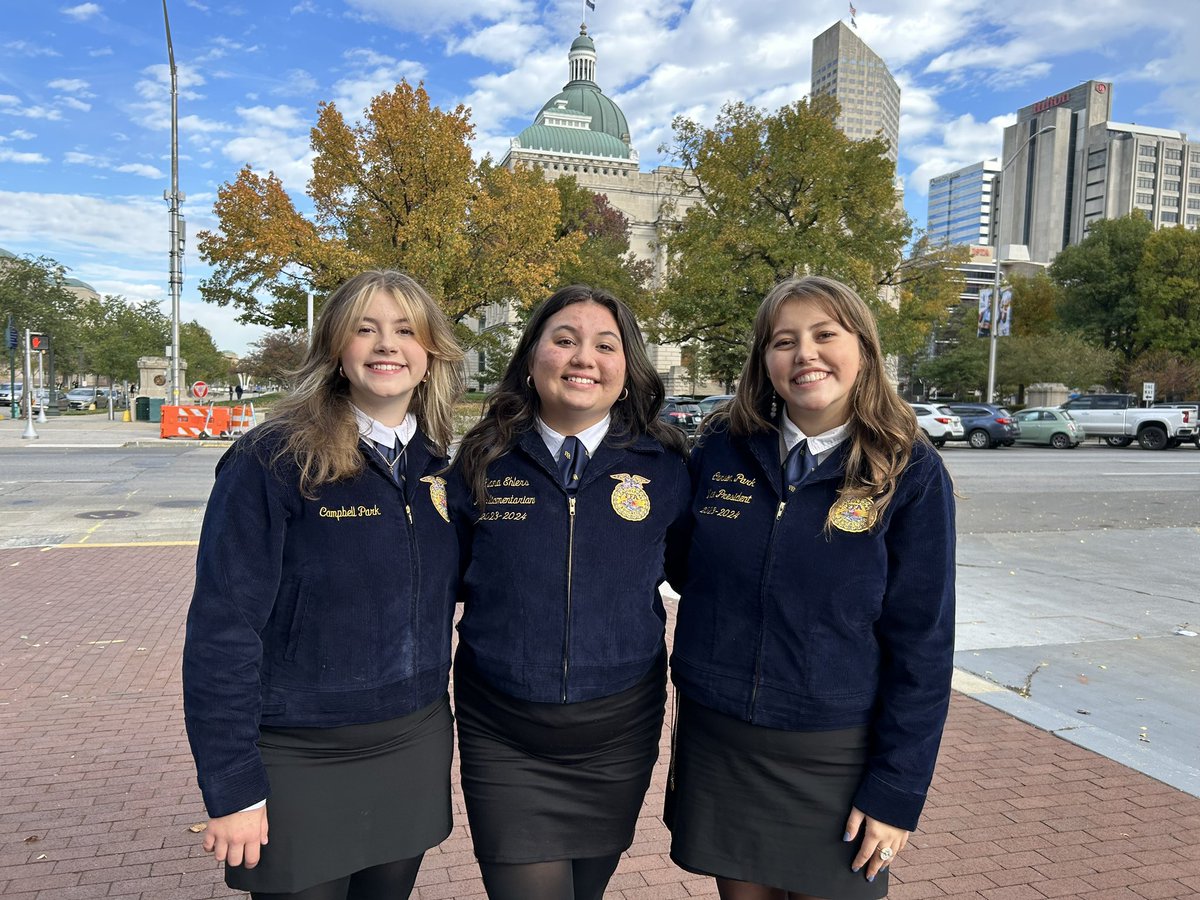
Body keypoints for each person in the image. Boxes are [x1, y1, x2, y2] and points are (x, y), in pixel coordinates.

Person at [665, 275, 956, 900]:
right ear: (764, 361)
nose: (805, 355)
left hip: (835, 753)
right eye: (784, 341)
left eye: (826, 335)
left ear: (863, 348)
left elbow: (922, 646)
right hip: (722, 741)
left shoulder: (911, 470)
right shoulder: (721, 448)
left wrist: (897, 791)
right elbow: (684, 566)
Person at [182, 270, 464, 900]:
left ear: (430, 353)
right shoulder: (274, 459)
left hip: (411, 742)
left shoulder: (442, 468)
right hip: (298, 753)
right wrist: (233, 787)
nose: (386, 345)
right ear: (336, 350)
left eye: (404, 331)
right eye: (365, 329)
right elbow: (222, 630)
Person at [449, 285, 691, 900]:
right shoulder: (482, 459)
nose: (584, 357)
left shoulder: (666, 465)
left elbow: (702, 574)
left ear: (628, 368)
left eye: (605, 345)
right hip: (505, 732)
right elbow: (434, 579)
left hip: (618, 732)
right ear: (532, 359)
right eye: (564, 340)